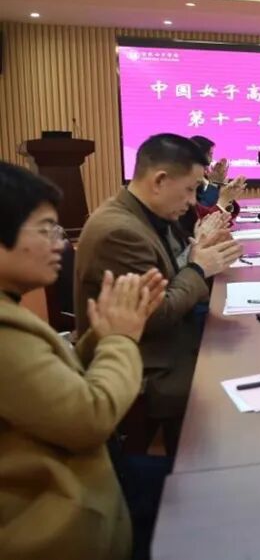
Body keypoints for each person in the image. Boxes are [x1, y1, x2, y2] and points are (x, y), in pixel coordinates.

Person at [0, 161, 166, 560]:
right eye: (45, 230)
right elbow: (91, 418)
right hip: (65, 523)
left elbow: (52, 383)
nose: (60, 245)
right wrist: (121, 338)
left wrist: (103, 334)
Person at [75, 134, 244, 454]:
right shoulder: (120, 231)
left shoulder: (148, 215)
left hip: (167, 340)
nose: (193, 202)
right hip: (149, 361)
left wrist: (198, 252)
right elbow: (155, 316)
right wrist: (198, 268)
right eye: (190, 189)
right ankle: (199, 468)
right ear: (160, 181)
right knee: (237, 377)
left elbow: (171, 275)